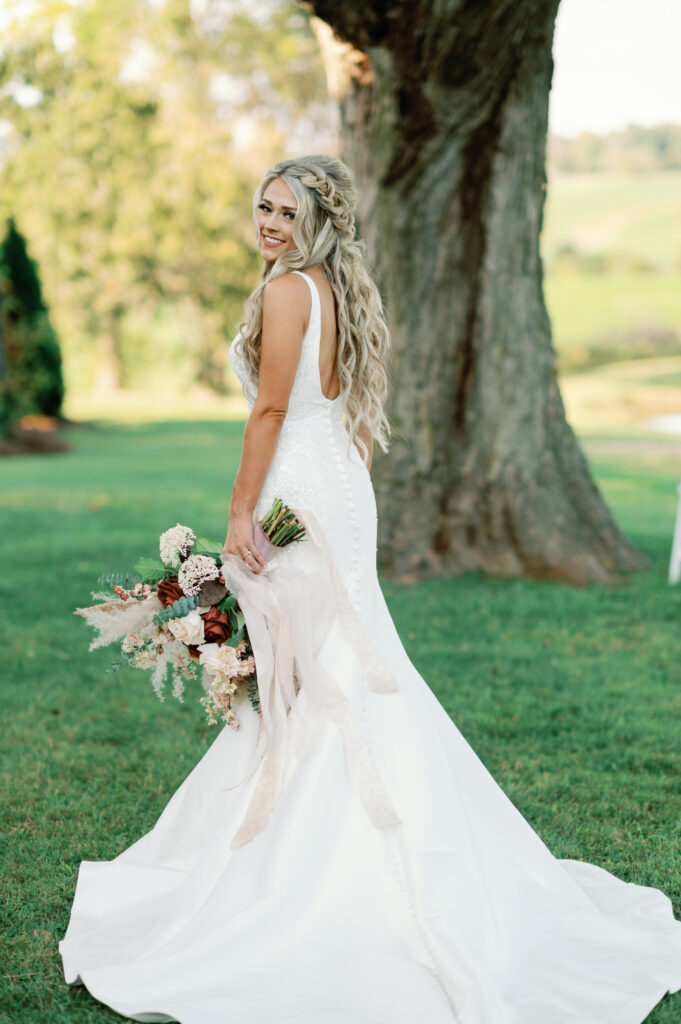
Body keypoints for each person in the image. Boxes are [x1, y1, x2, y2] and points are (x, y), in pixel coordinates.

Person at [59, 154, 681, 1023]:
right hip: (338, 489)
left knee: (321, 672)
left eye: (285, 211)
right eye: (262, 206)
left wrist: (240, 515)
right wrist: (337, 497)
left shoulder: (287, 292)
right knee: (334, 662)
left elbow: (270, 411)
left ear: (317, 220)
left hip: (298, 490)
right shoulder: (335, 286)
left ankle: (324, 873)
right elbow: (348, 415)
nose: (268, 222)